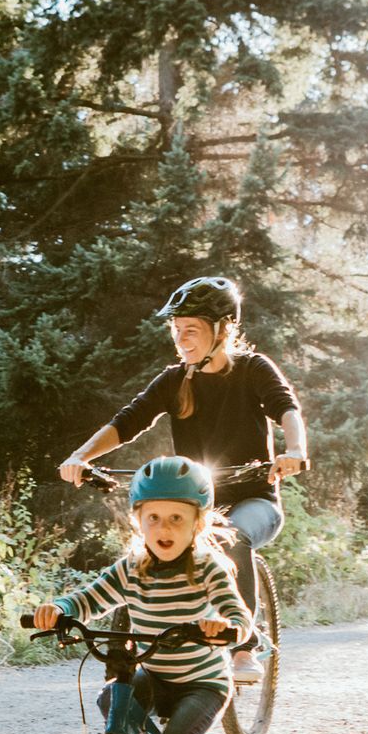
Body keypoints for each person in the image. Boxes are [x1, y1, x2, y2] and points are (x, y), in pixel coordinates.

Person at [58, 275, 307, 686]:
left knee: (231, 537)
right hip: (195, 506)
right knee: (147, 548)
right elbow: (128, 421)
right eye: (176, 331)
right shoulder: (175, 380)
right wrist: (81, 457)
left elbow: (286, 408)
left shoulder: (252, 370)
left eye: (191, 330)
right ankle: (133, 651)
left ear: (222, 330)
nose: (181, 339)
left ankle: (243, 645)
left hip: (254, 500)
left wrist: (295, 450)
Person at [29, 456, 252, 734]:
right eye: (153, 518)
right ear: (137, 521)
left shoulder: (209, 569)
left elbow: (239, 618)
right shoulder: (131, 569)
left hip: (202, 682)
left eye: (175, 518)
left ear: (197, 524)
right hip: (157, 673)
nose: (163, 529)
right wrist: (58, 609)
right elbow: (88, 599)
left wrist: (224, 627)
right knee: (110, 698)